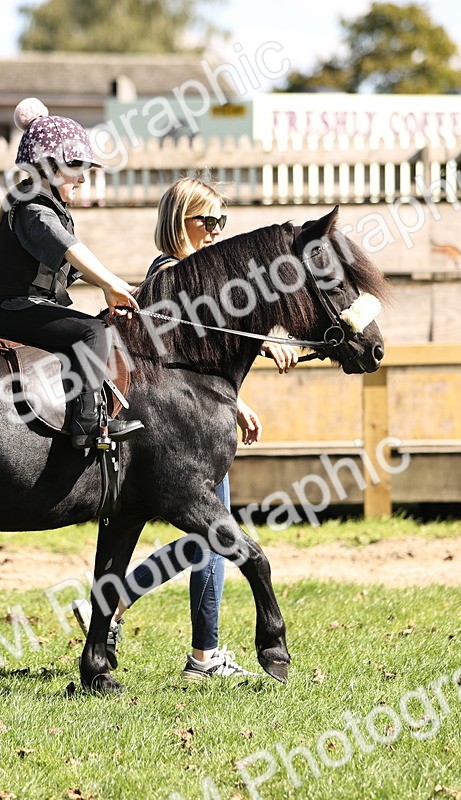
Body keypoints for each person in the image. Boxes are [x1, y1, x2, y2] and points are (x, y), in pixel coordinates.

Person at [73, 178, 300, 681]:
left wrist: (241, 390)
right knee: (213, 533)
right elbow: (178, 352)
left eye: (223, 222)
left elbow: (202, 353)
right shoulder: (172, 274)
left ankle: (163, 628)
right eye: (209, 221)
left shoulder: (185, 274)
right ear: (181, 222)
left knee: (211, 535)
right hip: (181, 433)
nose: (218, 233)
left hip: (195, 425)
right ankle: (200, 653)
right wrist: (246, 382)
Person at [0, 98, 145, 449]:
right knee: (94, 332)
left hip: (27, 306)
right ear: (49, 166)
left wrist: (114, 289)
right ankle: (89, 426)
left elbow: (70, 263)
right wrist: (111, 283)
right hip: (16, 310)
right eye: (76, 167)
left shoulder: (45, 205)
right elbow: (71, 249)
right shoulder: (34, 210)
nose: (83, 178)